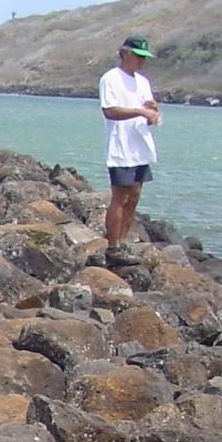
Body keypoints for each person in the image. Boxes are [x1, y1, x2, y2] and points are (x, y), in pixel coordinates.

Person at [99, 35, 161, 268]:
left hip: (140, 147)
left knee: (134, 195)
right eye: (138, 56)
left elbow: (149, 111)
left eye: (144, 58)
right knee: (120, 196)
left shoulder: (143, 82)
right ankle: (113, 246)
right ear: (125, 53)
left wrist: (152, 112)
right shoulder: (111, 79)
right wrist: (139, 112)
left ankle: (122, 242)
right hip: (121, 147)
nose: (141, 62)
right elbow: (110, 111)